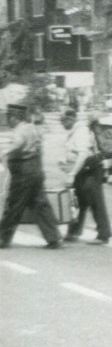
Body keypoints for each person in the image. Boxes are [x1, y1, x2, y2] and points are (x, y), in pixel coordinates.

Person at [0, 106, 64, 249]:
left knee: (14, 205)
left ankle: (3, 238)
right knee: (40, 204)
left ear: (14, 117)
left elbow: (18, 143)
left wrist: (4, 152)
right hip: (35, 169)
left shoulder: (21, 130)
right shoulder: (33, 128)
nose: (8, 120)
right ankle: (53, 237)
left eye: (9, 117)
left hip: (23, 172)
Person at [61, 112, 112, 245]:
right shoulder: (77, 130)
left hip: (90, 170)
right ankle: (73, 232)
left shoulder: (80, 131)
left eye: (63, 121)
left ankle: (104, 234)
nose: (62, 124)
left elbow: (83, 154)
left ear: (70, 119)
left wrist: (72, 174)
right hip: (85, 170)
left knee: (95, 201)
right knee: (79, 202)